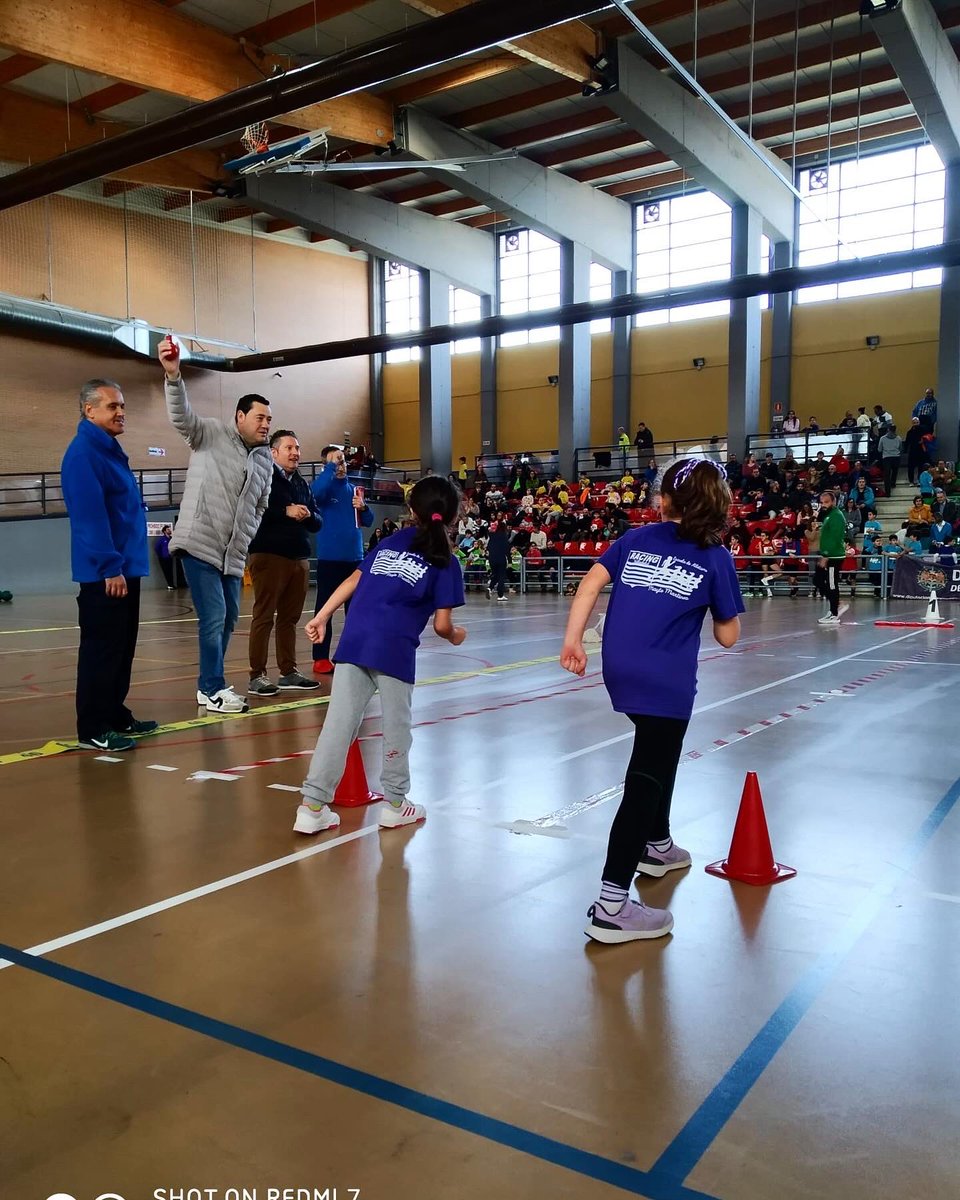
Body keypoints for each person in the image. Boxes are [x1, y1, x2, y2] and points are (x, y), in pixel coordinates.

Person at [560, 459, 744, 944]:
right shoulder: (716, 557)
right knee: (645, 779)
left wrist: (573, 640)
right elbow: (727, 636)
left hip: (618, 671)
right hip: (666, 684)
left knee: (658, 756)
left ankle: (656, 845)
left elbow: (589, 585)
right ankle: (612, 905)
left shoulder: (634, 540)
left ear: (664, 500)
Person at [294, 476, 466, 836]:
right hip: (394, 650)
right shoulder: (446, 562)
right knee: (397, 729)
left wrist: (322, 615)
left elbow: (352, 581)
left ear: (412, 510)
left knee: (338, 726)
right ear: (452, 516)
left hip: (355, 641)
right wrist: (456, 636)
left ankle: (311, 808)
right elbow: (442, 625)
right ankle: (395, 804)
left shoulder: (388, 543)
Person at [159, 336, 273, 713]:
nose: (265, 424)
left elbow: (260, 505)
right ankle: (211, 687)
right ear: (239, 417)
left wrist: (245, 537)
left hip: (232, 554)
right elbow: (181, 417)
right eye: (260, 417)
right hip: (199, 543)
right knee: (214, 618)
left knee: (227, 621)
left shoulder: (263, 461)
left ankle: (213, 685)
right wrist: (174, 376)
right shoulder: (209, 433)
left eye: (269, 419)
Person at [61, 379, 156, 752]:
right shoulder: (84, 454)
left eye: (122, 406)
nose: (121, 412)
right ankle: (93, 726)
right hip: (106, 573)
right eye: (113, 406)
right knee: (101, 649)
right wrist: (109, 566)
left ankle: (115, 712)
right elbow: (90, 518)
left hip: (124, 568)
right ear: (89, 410)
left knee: (122, 648)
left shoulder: (108, 450)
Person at [246, 430, 322, 696]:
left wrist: (309, 515)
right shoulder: (262, 477)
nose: (296, 453)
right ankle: (257, 675)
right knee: (264, 616)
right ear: (274, 452)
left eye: (298, 448)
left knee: (289, 619)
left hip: (298, 557)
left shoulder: (302, 483)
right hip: (268, 554)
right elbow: (251, 509)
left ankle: (288, 672)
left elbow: (318, 521)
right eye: (289, 448)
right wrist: (284, 511)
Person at [310, 445, 375, 674]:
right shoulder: (324, 491)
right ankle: (320, 657)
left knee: (356, 610)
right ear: (325, 466)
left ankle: (351, 653)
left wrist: (364, 507)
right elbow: (315, 493)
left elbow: (368, 520)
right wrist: (330, 466)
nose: (341, 466)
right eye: (335, 462)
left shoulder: (354, 491)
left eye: (342, 462)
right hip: (330, 559)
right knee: (324, 609)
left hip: (355, 560)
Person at [814, 489, 848, 625]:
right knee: (817, 580)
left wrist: (826, 555)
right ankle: (837, 604)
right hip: (826, 554)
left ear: (833, 501)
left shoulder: (837, 516)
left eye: (826, 502)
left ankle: (834, 613)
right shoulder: (827, 515)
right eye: (822, 502)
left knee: (832, 584)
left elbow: (836, 537)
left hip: (834, 556)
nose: (824, 505)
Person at [154, 524, 186, 590]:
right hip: (163, 558)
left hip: (170, 558)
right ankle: (169, 585)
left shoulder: (171, 539)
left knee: (171, 571)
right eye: (168, 529)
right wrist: (161, 555)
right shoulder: (162, 539)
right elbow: (157, 548)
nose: (169, 530)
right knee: (166, 572)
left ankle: (171, 584)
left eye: (170, 529)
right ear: (164, 531)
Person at [486, 521, 510, 601]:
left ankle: (490, 588)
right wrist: (509, 560)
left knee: (495, 575)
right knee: (501, 576)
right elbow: (507, 549)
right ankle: (500, 595)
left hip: (492, 558)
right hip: (501, 558)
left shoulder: (492, 536)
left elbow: (488, 547)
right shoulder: (504, 536)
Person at [878, 424, 903, 496]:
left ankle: (888, 492)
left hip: (886, 457)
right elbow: (901, 448)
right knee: (895, 471)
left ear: (888, 429)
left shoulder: (882, 438)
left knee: (887, 475)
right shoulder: (898, 438)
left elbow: (879, 449)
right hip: (896, 457)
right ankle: (893, 483)